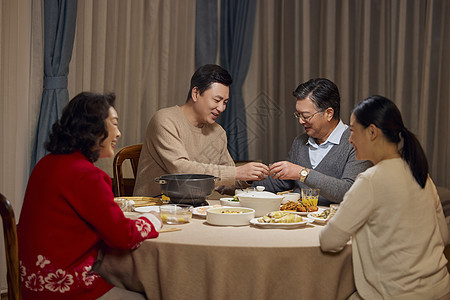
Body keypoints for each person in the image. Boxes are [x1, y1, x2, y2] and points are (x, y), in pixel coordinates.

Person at [18, 92, 162, 300]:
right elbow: (123, 237)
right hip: (63, 288)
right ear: (93, 129)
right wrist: (152, 220)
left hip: (32, 282)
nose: (119, 133)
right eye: (114, 123)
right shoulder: (86, 175)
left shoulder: (46, 163)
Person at [320, 95, 450, 300]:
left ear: (372, 132)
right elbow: (442, 236)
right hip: (440, 288)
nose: (350, 139)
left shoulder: (370, 180)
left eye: (353, 131)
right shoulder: (420, 174)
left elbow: (329, 241)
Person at [133, 64, 269, 197]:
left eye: (225, 102)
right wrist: (237, 173)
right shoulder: (165, 120)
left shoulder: (218, 132)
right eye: (217, 100)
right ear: (196, 93)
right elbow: (181, 170)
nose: (221, 108)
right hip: (154, 207)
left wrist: (249, 177)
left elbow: (225, 181)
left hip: (194, 207)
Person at [254, 78, 371, 206]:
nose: (300, 121)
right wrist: (249, 177)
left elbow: (348, 191)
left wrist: (302, 173)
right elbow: (284, 182)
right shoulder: (300, 142)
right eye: (298, 115)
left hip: (333, 220)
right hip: (298, 218)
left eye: (305, 116)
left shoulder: (356, 142)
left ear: (328, 113)